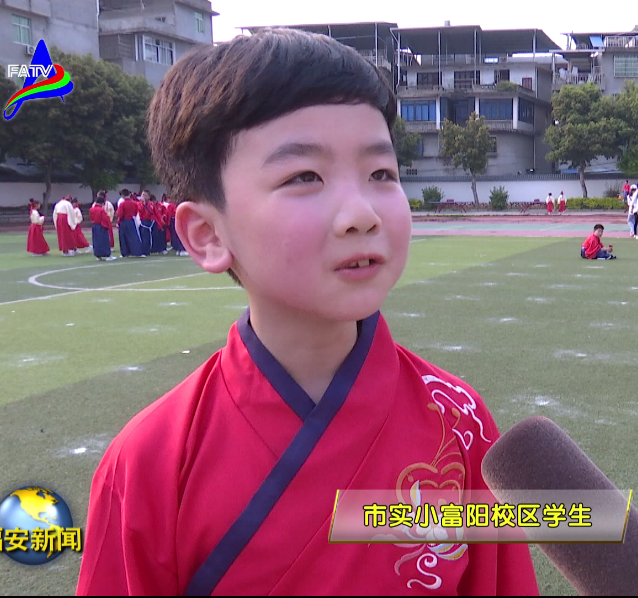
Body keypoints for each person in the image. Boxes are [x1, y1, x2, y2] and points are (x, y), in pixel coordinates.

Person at [76, 29, 539, 596]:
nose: (361, 213)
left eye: (381, 174)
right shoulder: (151, 459)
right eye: (304, 177)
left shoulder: (459, 421)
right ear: (207, 234)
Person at [89, 195, 115, 260]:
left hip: (95, 226)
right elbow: (105, 219)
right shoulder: (101, 210)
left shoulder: (91, 209)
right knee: (104, 241)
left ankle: (98, 255)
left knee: (96, 241)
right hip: (101, 226)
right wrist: (108, 226)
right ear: (102, 203)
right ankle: (107, 255)